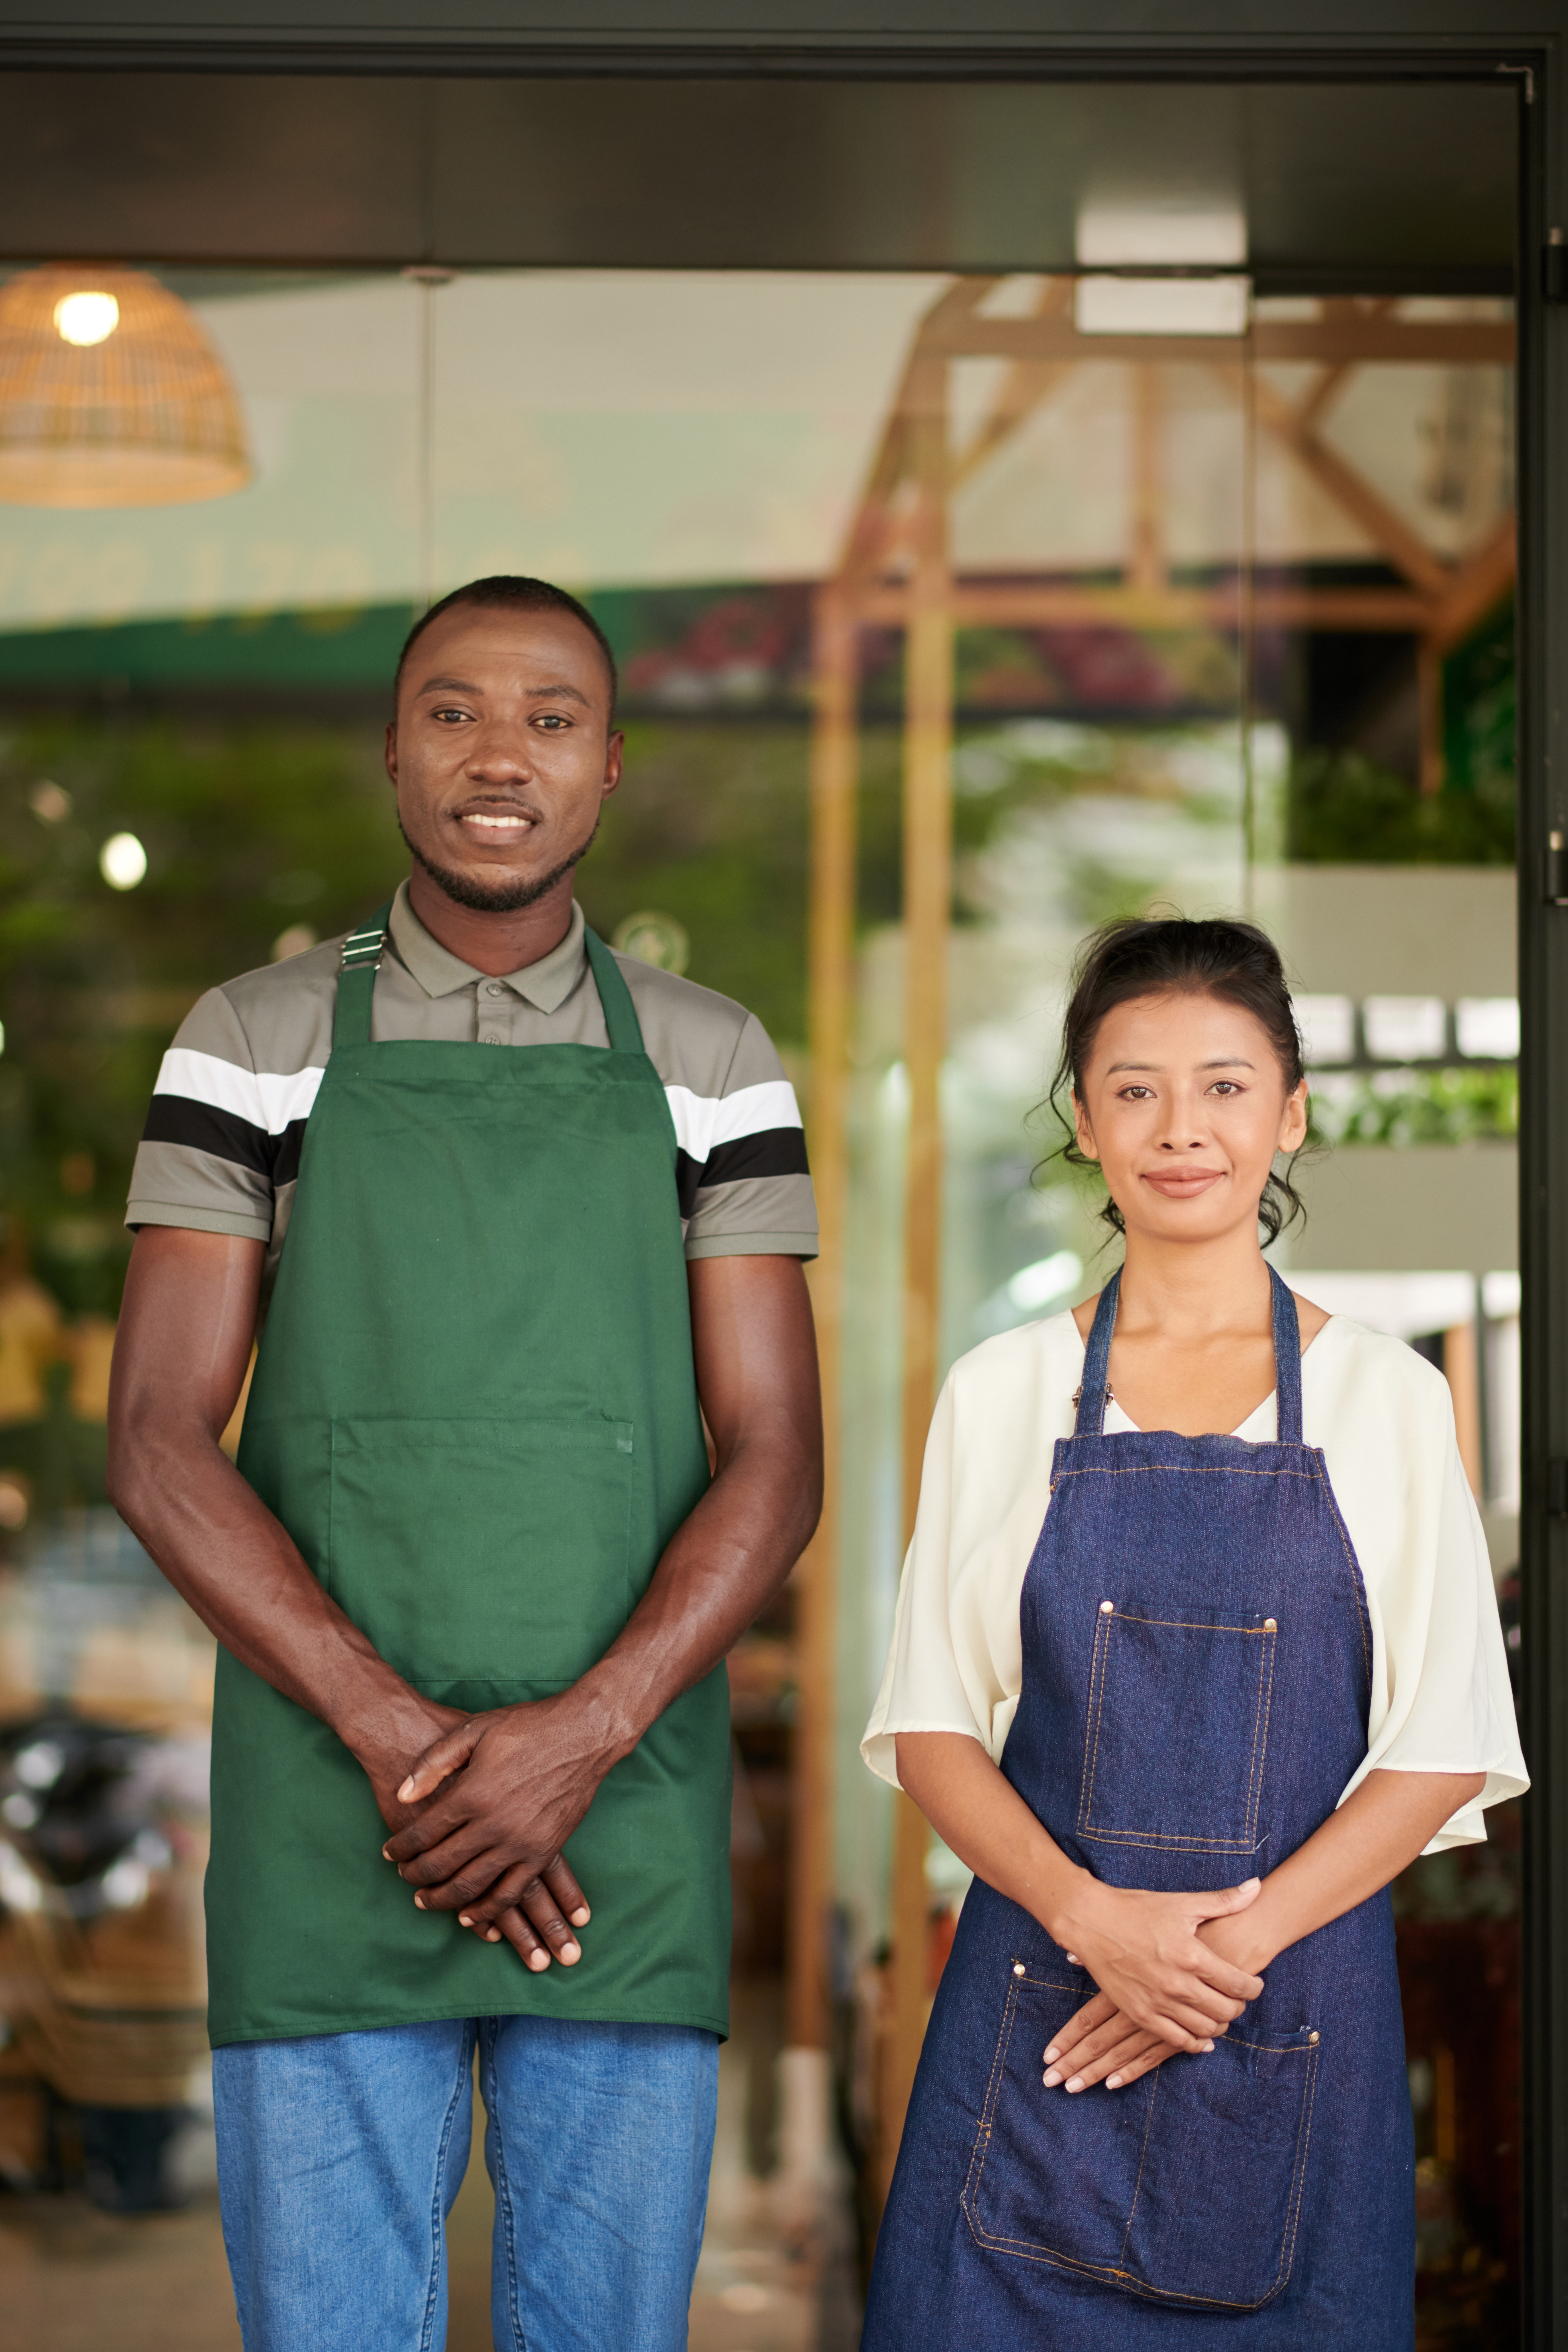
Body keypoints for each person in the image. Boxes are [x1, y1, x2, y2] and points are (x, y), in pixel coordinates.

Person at [106, 575, 824, 2352]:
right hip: (330, 1805)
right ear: (393, 750)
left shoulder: (713, 1061)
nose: (501, 755)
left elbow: (776, 1455)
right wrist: (403, 1743)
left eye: (550, 718)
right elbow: (157, 1438)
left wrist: (581, 1737)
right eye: (455, 712)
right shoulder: (250, 1041)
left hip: (623, 1816)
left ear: (610, 762)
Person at [860, 915, 1525, 2349]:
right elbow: (928, 1729)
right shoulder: (999, 1391)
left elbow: (1441, 1747)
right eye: (1134, 1089)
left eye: (1224, 1086)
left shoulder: (1387, 1399)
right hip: (1040, 2007)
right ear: (1083, 1123)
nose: (1180, 1128)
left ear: (1289, 1115)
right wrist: (1095, 1924)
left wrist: (1210, 1958)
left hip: (1285, 2008)